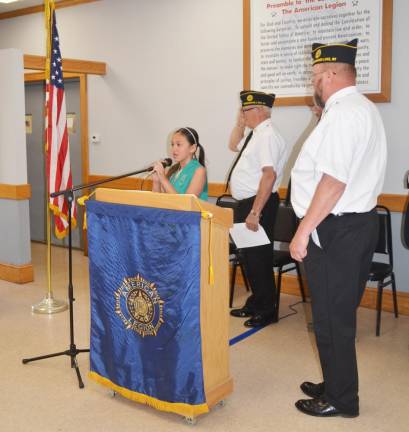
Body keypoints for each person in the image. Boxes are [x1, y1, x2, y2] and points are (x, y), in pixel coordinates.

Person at [290, 39, 387, 417]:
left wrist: (301, 232)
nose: (313, 81)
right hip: (348, 227)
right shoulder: (356, 109)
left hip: (336, 230)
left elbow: (333, 182)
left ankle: (342, 400)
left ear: (330, 74)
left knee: (333, 319)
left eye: (315, 75)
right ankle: (335, 382)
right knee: (333, 313)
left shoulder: (346, 114)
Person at [227, 90, 290, 327]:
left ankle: (267, 310)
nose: (243, 114)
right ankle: (256, 301)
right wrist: (239, 123)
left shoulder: (268, 136)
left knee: (259, 258)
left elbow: (269, 175)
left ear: (260, 110)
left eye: (246, 110)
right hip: (247, 203)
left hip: (258, 204)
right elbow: (233, 144)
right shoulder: (256, 134)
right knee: (249, 257)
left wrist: (255, 212)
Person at [152, 127, 208, 200]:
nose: (174, 149)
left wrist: (163, 178)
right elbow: (157, 201)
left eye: (178, 144)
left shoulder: (199, 171)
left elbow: (186, 204)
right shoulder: (173, 171)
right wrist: (157, 181)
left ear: (192, 148)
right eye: (172, 144)